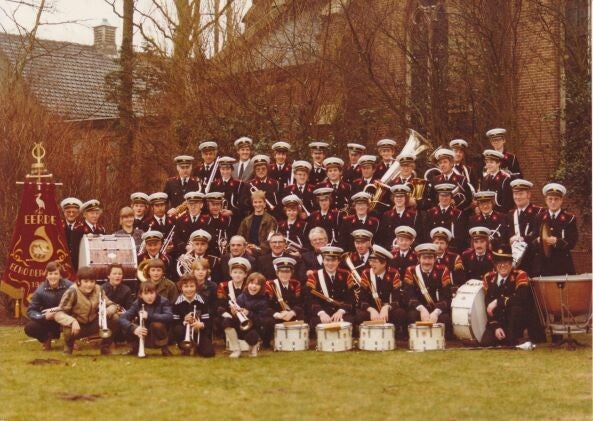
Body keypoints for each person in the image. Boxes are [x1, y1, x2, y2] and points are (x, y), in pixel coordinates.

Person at [481, 245, 545, 346]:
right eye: (499, 262)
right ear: (495, 264)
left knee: (510, 341)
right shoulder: (488, 278)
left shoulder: (520, 275)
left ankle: (519, 337)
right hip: (500, 321)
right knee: (486, 343)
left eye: (506, 262)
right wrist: (496, 327)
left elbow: (521, 298)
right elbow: (488, 306)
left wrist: (498, 301)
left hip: (516, 319)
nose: (502, 265)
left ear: (511, 263)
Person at [54, 266, 118, 355]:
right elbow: (58, 313)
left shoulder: (98, 289)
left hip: (93, 323)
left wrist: (108, 311)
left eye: (92, 281)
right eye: (86, 281)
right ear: (79, 281)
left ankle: (105, 348)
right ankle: (68, 347)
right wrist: (72, 321)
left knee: (115, 318)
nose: (89, 284)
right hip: (78, 326)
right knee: (68, 329)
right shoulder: (72, 291)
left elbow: (112, 305)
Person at [402, 243, 453, 338]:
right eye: (424, 258)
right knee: (411, 316)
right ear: (418, 259)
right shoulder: (411, 271)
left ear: (435, 259)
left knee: (445, 319)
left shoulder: (443, 270)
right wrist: (421, 308)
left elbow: (447, 297)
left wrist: (436, 312)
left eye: (430, 258)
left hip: (436, 308)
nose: (427, 262)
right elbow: (408, 295)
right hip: (418, 308)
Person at [359, 245, 407, 338]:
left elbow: (397, 299)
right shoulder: (366, 273)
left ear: (384, 263)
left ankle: (393, 335)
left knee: (400, 313)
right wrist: (371, 310)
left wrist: (387, 307)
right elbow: (362, 299)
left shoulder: (393, 273)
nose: (371, 264)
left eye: (375, 262)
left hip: (388, 309)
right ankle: (368, 336)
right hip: (372, 309)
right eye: (370, 261)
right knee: (360, 315)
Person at [306, 246, 357, 330]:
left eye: (333, 260)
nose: (330, 263)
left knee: (348, 322)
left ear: (338, 261)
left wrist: (341, 311)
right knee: (315, 323)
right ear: (323, 261)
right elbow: (310, 299)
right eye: (327, 260)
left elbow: (351, 298)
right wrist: (321, 313)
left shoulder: (346, 274)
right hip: (322, 313)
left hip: (341, 313)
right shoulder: (314, 276)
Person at [25, 261, 73, 350]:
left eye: (56, 274)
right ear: (46, 275)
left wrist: (56, 311)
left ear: (60, 275)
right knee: (29, 327)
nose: (53, 276)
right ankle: (46, 338)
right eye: (50, 274)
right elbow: (31, 311)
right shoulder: (40, 291)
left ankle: (71, 341)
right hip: (49, 321)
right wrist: (43, 317)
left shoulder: (70, 286)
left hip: (67, 317)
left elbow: (76, 303)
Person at [533, 183, 578, 276]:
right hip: (543, 265)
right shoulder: (539, 218)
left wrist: (557, 241)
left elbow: (572, 241)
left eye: (556, 199)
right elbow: (533, 239)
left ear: (561, 200)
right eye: (550, 199)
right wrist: (538, 240)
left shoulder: (569, 219)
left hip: (562, 264)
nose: (553, 202)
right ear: (546, 200)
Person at [225, 272, 274, 358]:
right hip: (241, 326)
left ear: (261, 287)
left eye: (257, 284)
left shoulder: (263, 301)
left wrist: (249, 313)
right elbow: (237, 317)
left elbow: (262, 321)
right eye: (251, 283)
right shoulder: (241, 297)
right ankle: (236, 349)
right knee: (226, 321)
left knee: (252, 337)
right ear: (247, 284)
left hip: (255, 327)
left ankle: (253, 347)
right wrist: (234, 313)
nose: (253, 286)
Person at [119, 281, 173, 356]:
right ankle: (135, 348)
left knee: (157, 325)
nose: (149, 296)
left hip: (157, 334)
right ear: (141, 295)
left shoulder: (163, 301)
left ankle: (164, 348)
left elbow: (169, 316)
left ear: (156, 293)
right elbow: (123, 318)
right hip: (142, 332)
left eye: (152, 293)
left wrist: (149, 316)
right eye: (146, 294)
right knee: (126, 325)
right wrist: (134, 328)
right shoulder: (137, 303)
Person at [171, 274, 215, 357]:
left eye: (192, 286)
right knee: (178, 329)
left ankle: (195, 346)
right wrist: (184, 321)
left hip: (198, 331)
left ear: (196, 287)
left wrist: (201, 324)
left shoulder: (203, 300)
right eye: (186, 286)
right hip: (183, 330)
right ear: (181, 288)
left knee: (209, 353)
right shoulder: (176, 302)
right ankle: (184, 347)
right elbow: (174, 323)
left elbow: (209, 321)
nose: (189, 289)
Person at [507, 179, 543, 275]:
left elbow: (538, 234)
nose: (517, 197)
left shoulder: (539, 212)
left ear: (528, 195)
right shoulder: (510, 214)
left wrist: (523, 239)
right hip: (516, 261)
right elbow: (506, 235)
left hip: (533, 261)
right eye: (515, 194)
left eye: (521, 194)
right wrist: (510, 240)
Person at [423, 183, 467, 252]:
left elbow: (460, 236)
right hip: (433, 249)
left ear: (451, 197)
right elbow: (426, 234)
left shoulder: (458, 214)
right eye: (442, 195)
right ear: (438, 197)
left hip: (451, 250)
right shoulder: (430, 213)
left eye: (447, 196)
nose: (444, 198)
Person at [378, 184, 420, 248]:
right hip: (390, 249)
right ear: (393, 198)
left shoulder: (414, 215)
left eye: (401, 197)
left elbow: (418, 237)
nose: (399, 199)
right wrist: (390, 247)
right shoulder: (386, 215)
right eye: (396, 197)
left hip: (408, 249)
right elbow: (382, 237)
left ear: (406, 198)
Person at [237, 190, 278, 255]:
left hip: (264, 253)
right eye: (255, 202)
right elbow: (240, 236)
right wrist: (247, 247)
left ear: (264, 204)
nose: (258, 204)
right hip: (247, 251)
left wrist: (257, 248)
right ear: (252, 204)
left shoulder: (271, 220)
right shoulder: (246, 220)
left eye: (260, 202)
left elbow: (270, 239)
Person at [266, 257, 304, 323]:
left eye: (288, 272)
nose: (285, 274)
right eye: (282, 271)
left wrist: (293, 312)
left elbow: (301, 303)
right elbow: (265, 305)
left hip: (292, 317)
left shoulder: (296, 284)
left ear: (292, 273)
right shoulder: (271, 285)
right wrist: (277, 315)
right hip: (276, 318)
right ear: (277, 273)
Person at [70, 200, 106, 270]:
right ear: (85, 215)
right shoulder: (78, 229)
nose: (95, 216)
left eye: (97, 213)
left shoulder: (101, 229)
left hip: (98, 266)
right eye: (92, 213)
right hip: (83, 266)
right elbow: (75, 254)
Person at [172, 191, 206, 257]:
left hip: (202, 256)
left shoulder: (208, 221)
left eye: (196, 204)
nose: (193, 207)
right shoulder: (180, 220)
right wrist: (186, 246)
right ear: (187, 205)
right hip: (184, 255)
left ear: (201, 205)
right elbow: (175, 238)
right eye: (190, 204)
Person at [203, 192, 232, 257]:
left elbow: (229, 235)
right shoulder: (204, 219)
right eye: (213, 205)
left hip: (223, 254)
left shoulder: (227, 219)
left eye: (218, 204)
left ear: (221, 205)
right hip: (208, 254)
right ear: (208, 206)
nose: (215, 207)